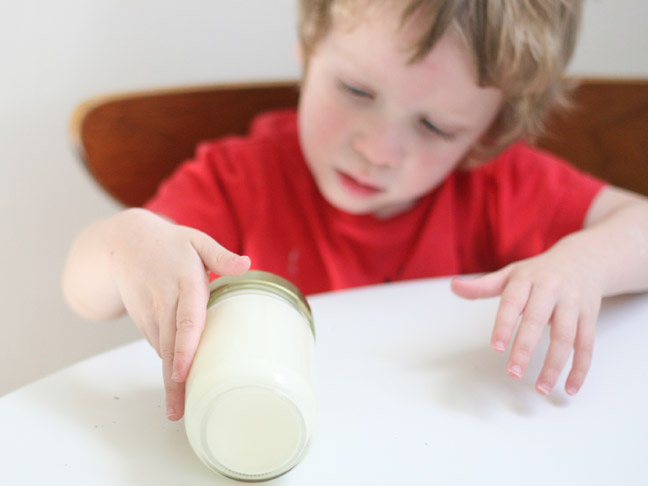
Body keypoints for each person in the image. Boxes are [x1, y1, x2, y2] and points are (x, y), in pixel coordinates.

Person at [62, 0, 648, 422]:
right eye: (357, 92)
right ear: (309, 49)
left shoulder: (500, 185)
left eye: (436, 126)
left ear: (485, 135)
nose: (378, 149)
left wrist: (585, 264)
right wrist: (126, 241)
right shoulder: (242, 180)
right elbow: (86, 296)